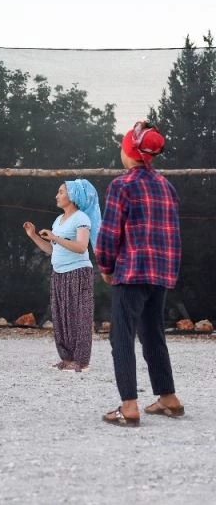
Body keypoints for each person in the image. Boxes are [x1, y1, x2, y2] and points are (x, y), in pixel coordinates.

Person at [97, 121, 184, 428]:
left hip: (131, 273)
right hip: (159, 274)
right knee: (152, 335)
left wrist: (106, 267)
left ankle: (129, 406)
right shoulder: (166, 187)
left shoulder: (122, 186)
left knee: (122, 336)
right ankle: (168, 399)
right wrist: (168, 272)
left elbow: (109, 234)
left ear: (130, 152)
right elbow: (172, 234)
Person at [23, 180, 100, 372]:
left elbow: (82, 247)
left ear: (73, 196)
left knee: (80, 317)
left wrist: (55, 237)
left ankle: (81, 361)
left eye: (61, 192)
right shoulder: (58, 220)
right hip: (59, 273)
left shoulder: (81, 218)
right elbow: (52, 249)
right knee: (61, 316)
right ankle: (66, 358)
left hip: (78, 272)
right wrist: (34, 235)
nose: (57, 196)